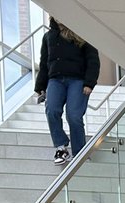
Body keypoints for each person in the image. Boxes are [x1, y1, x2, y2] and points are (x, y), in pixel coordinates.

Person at [34, 18, 100, 167]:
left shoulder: (82, 34)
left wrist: (89, 82)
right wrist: (40, 87)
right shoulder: (49, 37)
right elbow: (44, 63)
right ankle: (61, 148)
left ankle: (79, 152)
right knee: (51, 110)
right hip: (55, 80)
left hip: (77, 81)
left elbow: (93, 60)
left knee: (74, 116)